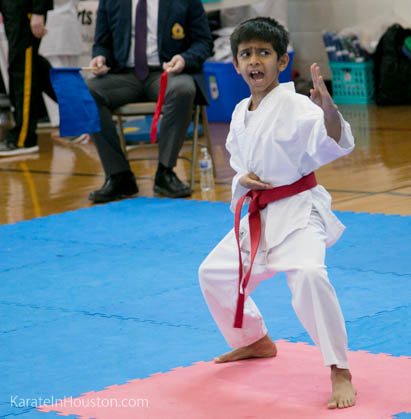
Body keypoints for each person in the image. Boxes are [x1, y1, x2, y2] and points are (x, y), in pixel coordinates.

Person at [198, 17, 357, 409]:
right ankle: (253, 340)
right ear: (235, 64)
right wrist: (244, 179)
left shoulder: (298, 106)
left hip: (299, 213)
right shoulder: (239, 112)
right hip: (260, 215)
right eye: (246, 53)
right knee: (213, 274)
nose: (255, 60)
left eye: (264, 53)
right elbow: (240, 162)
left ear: (281, 61)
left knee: (308, 276)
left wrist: (329, 110)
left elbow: (335, 142)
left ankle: (340, 369)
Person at [85, 0, 213, 203]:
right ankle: (119, 175)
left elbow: (203, 42)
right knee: (87, 93)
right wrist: (100, 58)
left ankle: (165, 171)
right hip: (124, 75)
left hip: (167, 72)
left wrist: (184, 58)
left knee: (183, 89)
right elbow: (102, 43)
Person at [0, 0, 57, 157]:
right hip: (12, 10)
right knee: (27, 67)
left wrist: (39, 10)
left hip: (25, 10)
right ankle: (79, 109)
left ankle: (24, 138)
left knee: (22, 71)